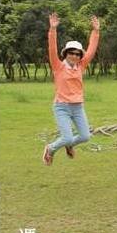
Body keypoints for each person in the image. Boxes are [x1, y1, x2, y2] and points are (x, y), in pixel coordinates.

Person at [43, 12, 100, 165]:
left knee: (85, 136)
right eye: (71, 53)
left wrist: (95, 31)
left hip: (78, 107)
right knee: (67, 137)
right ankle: (50, 149)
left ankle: (69, 145)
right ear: (66, 53)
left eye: (77, 54)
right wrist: (53, 30)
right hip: (62, 107)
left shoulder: (81, 66)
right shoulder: (58, 66)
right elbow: (52, 49)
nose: (74, 56)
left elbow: (91, 50)